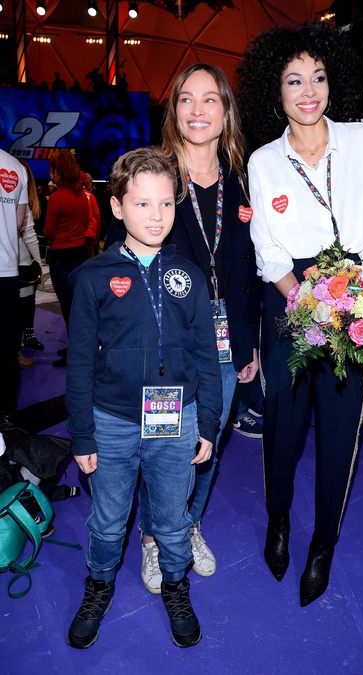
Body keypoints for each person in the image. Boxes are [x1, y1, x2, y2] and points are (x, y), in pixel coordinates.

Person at [236, 22, 363, 606]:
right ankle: (278, 519)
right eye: (293, 80)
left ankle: (323, 543)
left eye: (319, 77)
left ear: (333, 82)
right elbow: (268, 250)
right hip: (290, 299)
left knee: (338, 431)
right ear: (274, 90)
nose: (308, 91)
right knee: (282, 425)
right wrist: (306, 300)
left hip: (357, 295)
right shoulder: (263, 160)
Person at [105, 64, 261, 591]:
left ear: (226, 110)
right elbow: (120, 260)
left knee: (206, 443)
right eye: (186, 99)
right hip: (165, 343)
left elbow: (248, 267)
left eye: (210, 98)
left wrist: (248, 340)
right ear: (173, 111)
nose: (198, 110)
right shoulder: (156, 176)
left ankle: (186, 525)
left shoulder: (243, 182)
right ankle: (154, 537)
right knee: (164, 444)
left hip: (226, 340)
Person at [65, 146, 222, 649]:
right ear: (116, 207)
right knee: (108, 521)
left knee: (173, 519)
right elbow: (80, 362)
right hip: (111, 420)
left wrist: (208, 422)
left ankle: (176, 585)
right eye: (142, 203)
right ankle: (99, 585)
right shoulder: (93, 277)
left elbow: (206, 354)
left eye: (166, 203)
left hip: (175, 417)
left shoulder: (189, 276)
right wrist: (82, 434)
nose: (157, 216)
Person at [44, 150, 89, 367]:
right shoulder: (82, 196)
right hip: (79, 253)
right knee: (77, 306)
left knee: (68, 307)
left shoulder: (57, 197)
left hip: (61, 256)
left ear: (58, 171)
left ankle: (75, 352)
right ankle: (76, 348)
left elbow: (48, 231)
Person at [0, 149, 28, 423]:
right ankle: (6, 410)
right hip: (7, 272)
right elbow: (19, 222)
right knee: (7, 348)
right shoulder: (15, 167)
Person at [17, 159, 45, 358]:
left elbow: (29, 234)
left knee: (27, 302)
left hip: (23, 262)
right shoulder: (19, 201)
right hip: (16, 262)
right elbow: (28, 234)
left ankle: (28, 335)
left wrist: (37, 262)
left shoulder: (28, 201)